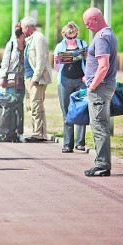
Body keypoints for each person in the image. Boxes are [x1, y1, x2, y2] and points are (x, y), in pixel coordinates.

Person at [82, 7, 118, 177]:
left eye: (87, 23)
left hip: (100, 89)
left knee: (99, 126)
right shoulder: (109, 34)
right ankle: (101, 163)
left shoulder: (102, 37)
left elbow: (104, 66)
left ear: (95, 20)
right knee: (99, 125)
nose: (87, 27)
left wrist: (92, 85)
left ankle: (102, 165)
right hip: (103, 86)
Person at [54, 21, 88, 153]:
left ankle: (80, 142)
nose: (72, 40)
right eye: (69, 37)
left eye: (74, 36)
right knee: (67, 112)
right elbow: (57, 68)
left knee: (81, 109)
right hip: (65, 81)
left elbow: (89, 62)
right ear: (64, 35)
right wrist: (57, 60)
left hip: (80, 80)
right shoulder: (59, 46)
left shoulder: (82, 44)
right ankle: (68, 144)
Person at [20, 16, 52, 143]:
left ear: (27, 27)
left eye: (22, 27)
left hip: (36, 79)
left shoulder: (39, 38)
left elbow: (41, 59)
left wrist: (36, 77)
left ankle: (38, 133)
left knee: (36, 105)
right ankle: (39, 132)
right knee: (31, 105)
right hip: (28, 77)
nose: (22, 30)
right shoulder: (30, 39)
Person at [0, 22, 26, 100]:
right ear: (22, 33)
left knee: (19, 103)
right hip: (11, 79)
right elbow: (5, 62)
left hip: (22, 80)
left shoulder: (27, 45)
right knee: (11, 102)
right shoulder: (11, 44)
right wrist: (2, 77)